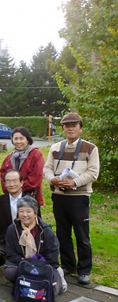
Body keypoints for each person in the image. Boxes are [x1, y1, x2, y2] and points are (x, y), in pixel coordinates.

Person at [43, 113, 99, 285]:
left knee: (82, 235)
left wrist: (74, 182)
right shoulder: (55, 148)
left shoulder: (90, 148)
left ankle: (84, 270)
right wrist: (53, 179)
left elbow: (93, 172)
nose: (70, 128)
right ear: (63, 129)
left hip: (79, 197)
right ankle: (68, 265)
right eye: (67, 126)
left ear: (81, 128)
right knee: (62, 233)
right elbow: (47, 169)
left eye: (74, 125)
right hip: (59, 196)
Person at [3, 196, 66, 296]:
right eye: (21, 211)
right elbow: (10, 253)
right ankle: (26, 283)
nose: (25, 215)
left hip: (43, 265)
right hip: (22, 263)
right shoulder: (12, 229)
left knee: (51, 293)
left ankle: (58, 276)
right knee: (9, 272)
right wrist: (24, 262)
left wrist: (35, 264)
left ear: (35, 213)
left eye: (28, 211)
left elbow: (52, 255)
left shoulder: (45, 230)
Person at [0, 126, 45, 206]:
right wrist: (10, 189)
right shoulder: (9, 157)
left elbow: (36, 177)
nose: (18, 141)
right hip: (12, 197)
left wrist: (17, 189)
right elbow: (3, 176)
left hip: (30, 196)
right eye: (16, 138)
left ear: (27, 140)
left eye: (21, 138)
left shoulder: (36, 155)